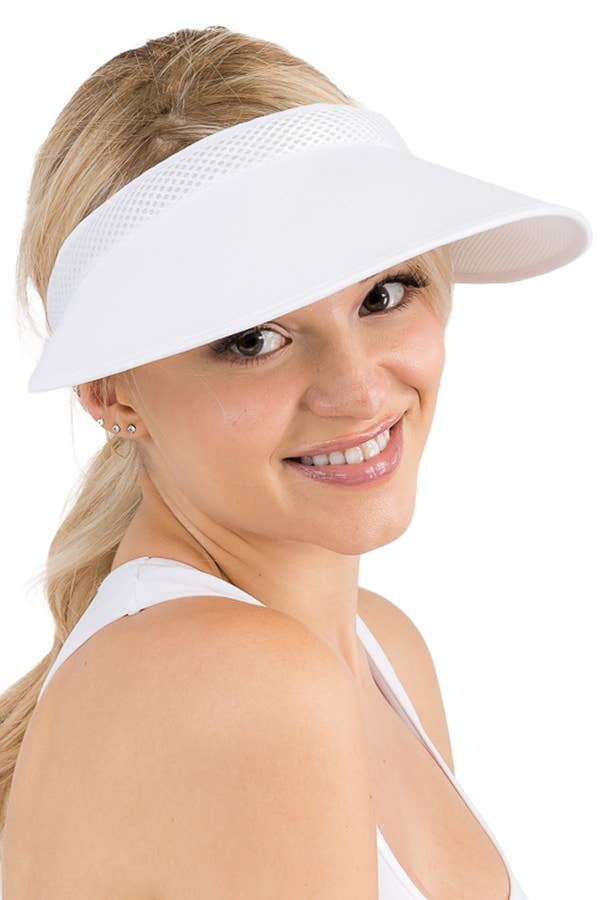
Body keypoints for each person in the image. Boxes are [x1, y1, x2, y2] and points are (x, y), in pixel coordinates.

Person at [0, 26, 591, 900]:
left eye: (383, 294)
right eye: (253, 339)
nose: (358, 391)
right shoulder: (242, 685)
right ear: (110, 393)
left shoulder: (381, 647)